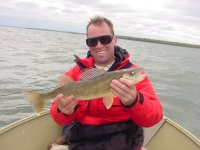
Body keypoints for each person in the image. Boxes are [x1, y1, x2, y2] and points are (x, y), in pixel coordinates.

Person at [49, 16, 163, 150]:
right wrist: (63, 111)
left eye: (105, 39)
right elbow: (59, 119)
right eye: (92, 41)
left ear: (115, 40)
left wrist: (134, 100)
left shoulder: (133, 73)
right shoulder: (75, 73)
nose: (99, 45)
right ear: (88, 44)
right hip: (82, 144)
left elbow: (154, 118)